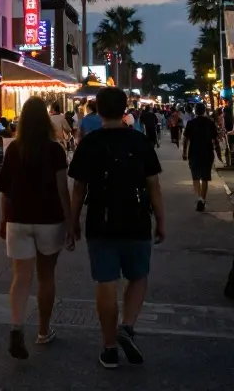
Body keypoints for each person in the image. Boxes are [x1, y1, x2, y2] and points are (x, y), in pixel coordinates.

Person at [69, 87, 165, 369]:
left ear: (98, 110)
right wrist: (161, 220)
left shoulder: (89, 143)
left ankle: (110, 346)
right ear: (125, 109)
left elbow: (78, 189)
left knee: (106, 282)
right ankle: (127, 325)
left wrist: (73, 222)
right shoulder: (139, 141)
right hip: (136, 218)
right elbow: (154, 186)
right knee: (138, 276)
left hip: (100, 220)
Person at [0, 97, 75, 359]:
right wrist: (71, 221)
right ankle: (43, 330)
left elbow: (4, 189)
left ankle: (17, 326)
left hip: (18, 218)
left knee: (20, 277)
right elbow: (63, 190)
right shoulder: (55, 151)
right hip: (49, 219)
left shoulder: (14, 149)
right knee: (46, 276)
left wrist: (3, 220)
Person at [181, 103, 219, 212]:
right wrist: (218, 153)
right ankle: (202, 199)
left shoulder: (191, 123)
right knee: (205, 178)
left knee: (196, 177)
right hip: (207, 153)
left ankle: (199, 198)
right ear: (204, 111)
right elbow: (215, 140)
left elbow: (185, 139)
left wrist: (184, 152)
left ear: (195, 111)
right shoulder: (210, 123)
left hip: (194, 153)